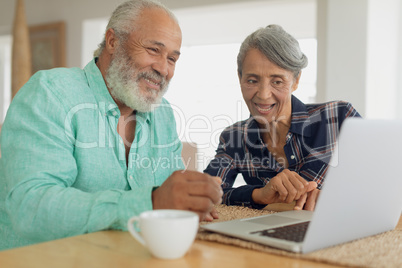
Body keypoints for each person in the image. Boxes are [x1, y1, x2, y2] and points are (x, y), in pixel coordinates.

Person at [0, 0, 222, 251]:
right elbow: (30, 207)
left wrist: (191, 201)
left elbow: (170, 195)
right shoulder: (49, 94)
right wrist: (150, 201)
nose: (163, 69)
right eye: (153, 50)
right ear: (113, 41)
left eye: (172, 58)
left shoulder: (163, 114)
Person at [204, 25, 361, 211]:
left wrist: (334, 198)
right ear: (240, 78)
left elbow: (383, 179)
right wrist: (260, 195)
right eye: (252, 80)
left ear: (296, 80)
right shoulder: (234, 136)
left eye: (277, 81)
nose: (263, 95)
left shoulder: (338, 118)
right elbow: (208, 192)